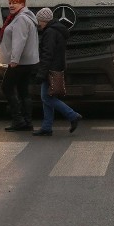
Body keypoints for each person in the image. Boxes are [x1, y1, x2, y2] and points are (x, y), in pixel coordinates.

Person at [32, 7, 82, 136]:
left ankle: (72, 115)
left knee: (46, 98)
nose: (39, 24)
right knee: (48, 97)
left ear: (44, 20)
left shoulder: (49, 32)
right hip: (57, 68)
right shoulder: (58, 30)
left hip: (50, 69)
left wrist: (41, 73)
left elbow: (47, 54)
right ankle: (47, 127)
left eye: (39, 21)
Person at [0, 0, 40, 132]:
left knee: (6, 87)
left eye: (15, 2)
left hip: (20, 62)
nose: (11, 5)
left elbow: (19, 40)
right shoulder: (25, 17)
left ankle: (18, 120)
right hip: (28, 61)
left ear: (22, 3)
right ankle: (27, 121)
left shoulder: (21, 19)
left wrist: (14, 59)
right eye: (10, 2)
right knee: (23, 90)